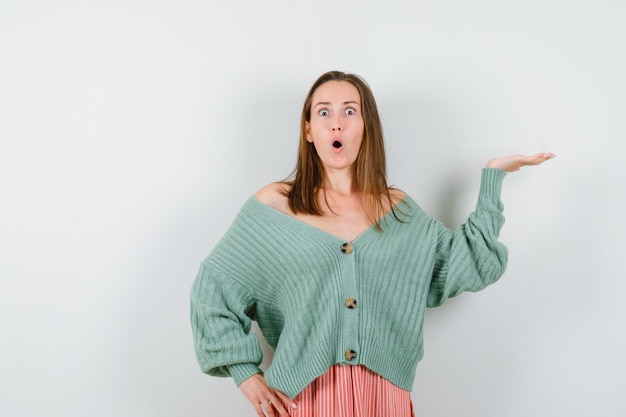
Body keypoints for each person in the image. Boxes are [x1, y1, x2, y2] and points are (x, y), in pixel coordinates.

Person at [190, 70, 555, 417]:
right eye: (324, 112)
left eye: (350, 111)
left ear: (366, 128)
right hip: (304, 400)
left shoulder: (398, 211)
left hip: (384, 399)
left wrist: (492, 178)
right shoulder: (274, 206)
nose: (337, 122)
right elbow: (213, 291)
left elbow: (466, 263)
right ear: (309, 130)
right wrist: (245, 374)